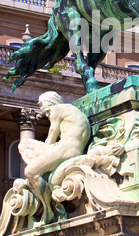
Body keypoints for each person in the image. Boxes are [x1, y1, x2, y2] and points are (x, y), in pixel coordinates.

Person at [18, 91, 91, 226]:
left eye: (42, 105)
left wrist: (42, 155)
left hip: (64, 149)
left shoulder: (58, 109)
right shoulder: (75, 112)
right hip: (74, 150)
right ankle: (40, 179)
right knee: (26, 147)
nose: (43, 111)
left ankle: (48, 209)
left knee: (30, 170)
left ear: (49, 101)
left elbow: (51, 136)